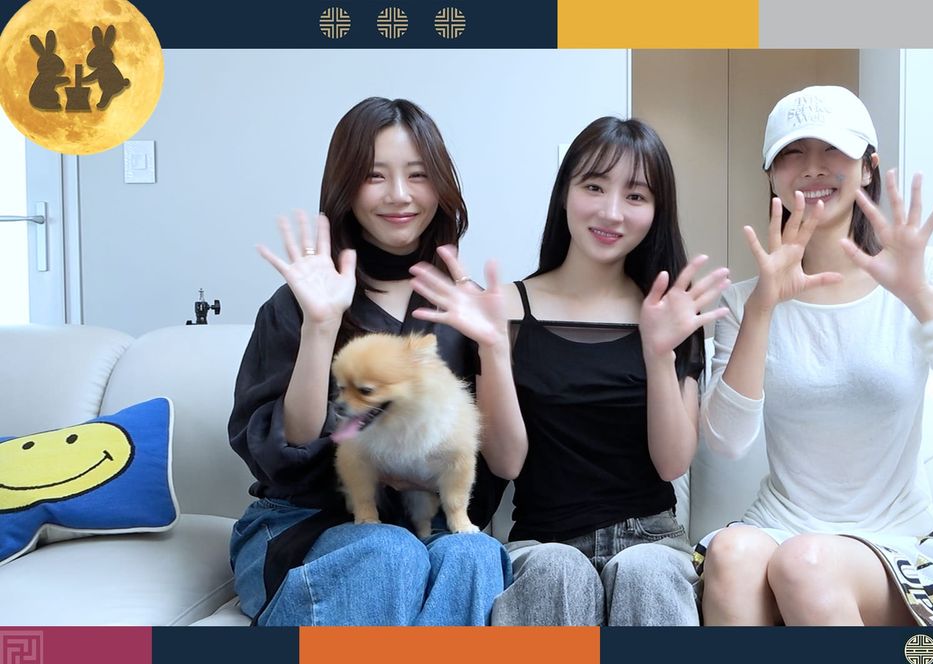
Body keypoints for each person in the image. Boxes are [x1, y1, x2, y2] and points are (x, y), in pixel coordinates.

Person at [695, 86, 933, 626]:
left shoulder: (921, 273)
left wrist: (921, 299)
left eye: (832, 151)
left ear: (869, 168)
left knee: (805, 562)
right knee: (734, 553)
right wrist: (763, 306)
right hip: (781, 523)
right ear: (771, 177)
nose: (812, 169)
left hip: (894, 538)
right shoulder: (744, 300)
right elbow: (726, 443)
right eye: (791, 153)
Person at [227, 97, 526, 626]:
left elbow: (503, 464)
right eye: (374, 176)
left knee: (477, 555)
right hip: (303, 525)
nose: (399, 195)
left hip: (428, 526)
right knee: (387, 551)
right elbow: (283, 453)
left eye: (418, 175)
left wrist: (495, 348)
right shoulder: (295, 304)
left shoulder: (467, 308)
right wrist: (321, 327)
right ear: (345, 186)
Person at [475, 116, 731, 626]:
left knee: (647, 572)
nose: (611, 212)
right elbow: (504, 462)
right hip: (542, 544)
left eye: (636, 196)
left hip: (653, 541)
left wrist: (659, 353)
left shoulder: (671, 313)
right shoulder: (502, 310)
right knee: (558, 570)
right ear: (565, 193)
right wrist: (491, 349)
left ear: (656, 211)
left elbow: (671, 464)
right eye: (594, 186)